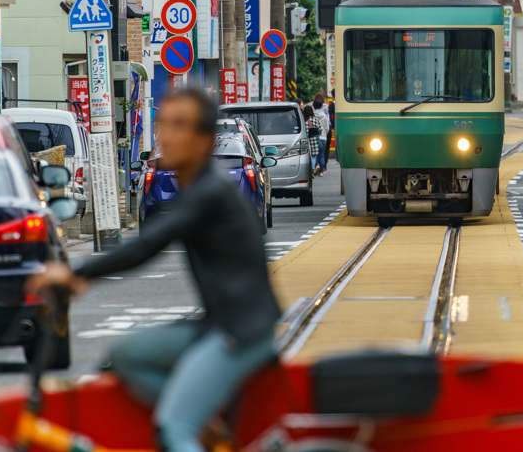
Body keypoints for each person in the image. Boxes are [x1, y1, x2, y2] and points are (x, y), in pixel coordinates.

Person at [26, 87, 280, 452]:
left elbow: (148, 245)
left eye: (181, 126)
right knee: (130, 354)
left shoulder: (210, 194)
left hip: (240, 333)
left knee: (173, 428)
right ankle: (203, 420)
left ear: (205, 141)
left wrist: (75, 274)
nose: (167, 136)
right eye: (164, 125)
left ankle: (188, 422)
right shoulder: (199, 189)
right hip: (217, 325)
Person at [312, 92, 330, 175]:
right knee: (322, 155)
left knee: (315, 154)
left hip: (314, 137)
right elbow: (327, 127)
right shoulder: (324, 115)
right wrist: (324, 134)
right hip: (323, 137)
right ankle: (321, 171)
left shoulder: (312, 116)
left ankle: (315, 167)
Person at [303, 104, 322, 174]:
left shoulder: (302, 120)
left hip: (304, 140)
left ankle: (307, 171)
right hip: (313, 139)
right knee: (313, 156)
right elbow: (320, 129)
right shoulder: (315, 119)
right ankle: (313, 169)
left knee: (306, 156)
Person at [326, 90, 336, 166]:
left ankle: (338, 157)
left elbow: (331, 116)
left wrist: (332, 125)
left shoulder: (332, 105)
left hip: (335, 125)